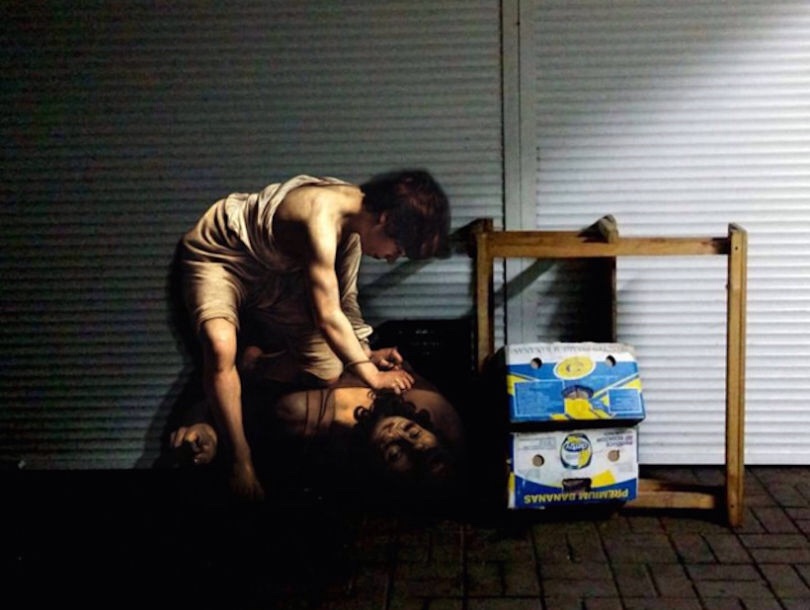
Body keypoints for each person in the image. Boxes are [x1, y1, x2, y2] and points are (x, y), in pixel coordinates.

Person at [178, 170, 451, 501]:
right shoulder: (321, 215)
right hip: (224, 255)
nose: (392, 258)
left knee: (327, 369)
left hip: (277, 275)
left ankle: (255, 367)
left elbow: (344, 303)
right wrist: (372, 376)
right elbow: (327, 315)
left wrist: (364, 353)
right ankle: (240, 459)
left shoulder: (353, 226)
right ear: (384, 219)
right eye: (398, 248)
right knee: (221, 346)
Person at [170, 363, 466, 503]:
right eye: (412, 431)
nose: (396, 434)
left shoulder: (306, 435)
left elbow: (223, 398)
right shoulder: (399, 385)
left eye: (395, 452)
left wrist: (206, 429)